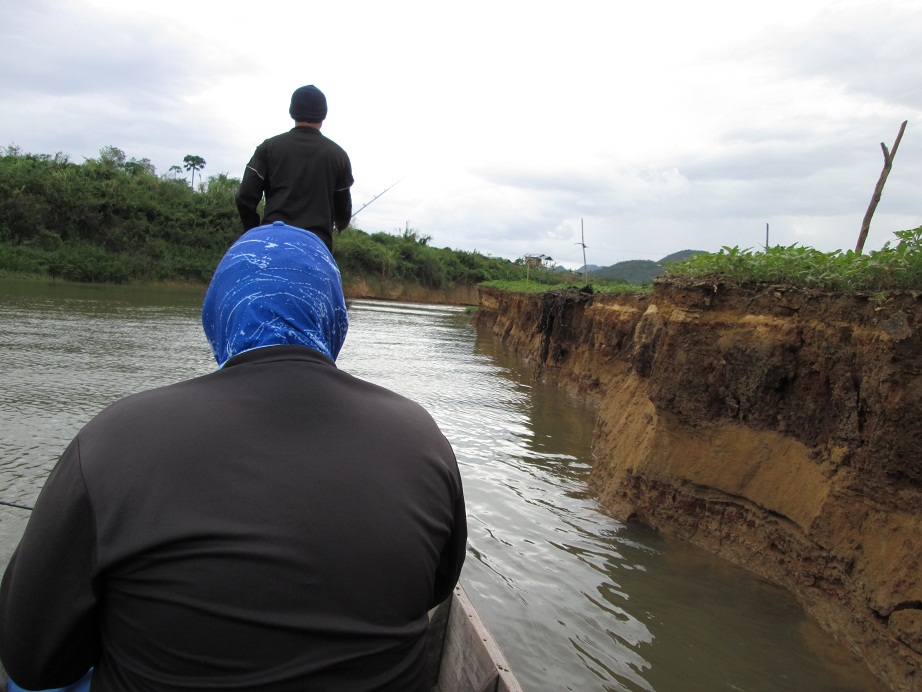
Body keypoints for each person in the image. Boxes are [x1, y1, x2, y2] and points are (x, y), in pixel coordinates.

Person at [0, 221, 467, 692]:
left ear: (220, 311)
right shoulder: (422, 437)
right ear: (333, 316)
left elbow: (30, 661)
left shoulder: (115, 436)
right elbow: (437, 588)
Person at [236, 85, 354, 252]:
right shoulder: (338, 155)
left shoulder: (268, 148)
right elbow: (343, 209)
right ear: (323, 115)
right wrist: (341, 224)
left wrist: (254, 232)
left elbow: (244, 197)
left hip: (270, 243)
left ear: (292, 111)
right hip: (317, 248)